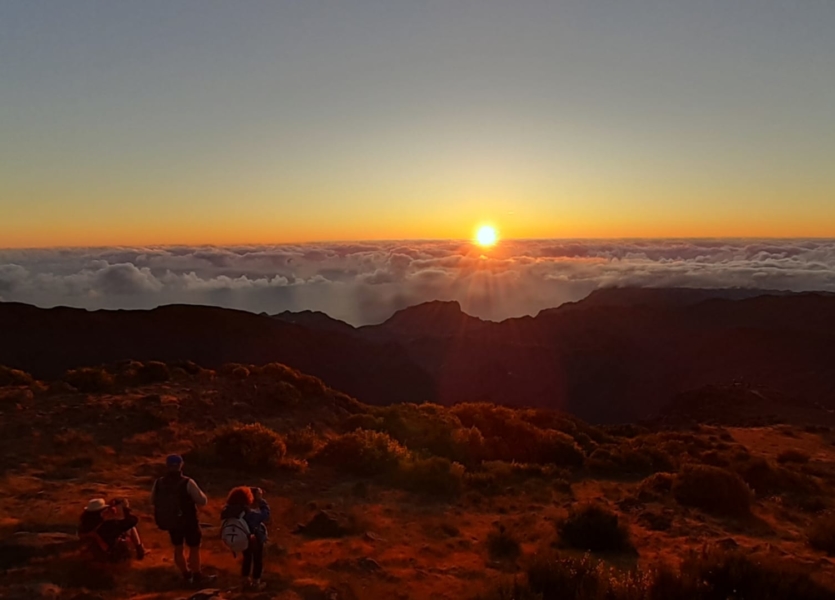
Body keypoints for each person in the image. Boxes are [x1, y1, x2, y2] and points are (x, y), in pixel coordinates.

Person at [151, 454, 215, 585]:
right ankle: (197, 576)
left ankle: (186, 575)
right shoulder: (187, 482)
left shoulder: (159, 482)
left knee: (178, 548)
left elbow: (152, 500)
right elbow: (202, 501)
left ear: (167, 466)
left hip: (171, 522)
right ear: (181, 465)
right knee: (194, 548)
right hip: (189, 521)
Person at [221, 486, 271, 591]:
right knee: (257, 560)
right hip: (253, 539)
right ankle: (256, 583)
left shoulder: (227, 512)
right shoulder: (247, 513)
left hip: (241, 539)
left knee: (247, 558)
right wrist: (261, 501)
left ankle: (245, 581)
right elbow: (265, 515)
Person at [78, 497, 145, 562]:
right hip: (107, 551)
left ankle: (138, 548)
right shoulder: (100, 525)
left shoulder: (90, 521)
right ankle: (138, 548)